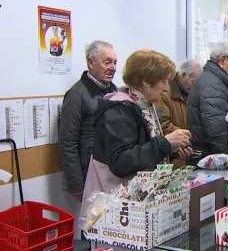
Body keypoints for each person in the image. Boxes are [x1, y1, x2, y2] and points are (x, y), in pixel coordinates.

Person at [80, 50, 192, 214]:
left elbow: (143, 146)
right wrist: (165, 143)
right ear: (146, 81)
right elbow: (121, 162)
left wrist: (171, 149)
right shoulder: (120, 109)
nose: (167, 87)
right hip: (113, 207)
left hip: (132, 203)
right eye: (163, 81)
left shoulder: (144, 105)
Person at [58, 40, 118, 203]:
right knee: (93, 224)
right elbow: (67, 142)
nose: (113, 67)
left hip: (113, 171)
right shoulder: (76, 95)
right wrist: (76, 185)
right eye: (107, 62)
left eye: (114, 62)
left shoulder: (115, 91)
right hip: (90, 173)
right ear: (91, 62)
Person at [186, 40, 228, 160]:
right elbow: (218, 134)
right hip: (210, 162)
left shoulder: (210, 81)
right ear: (222, 60)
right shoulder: (212, 86)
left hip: (207, 158)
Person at [155, 59, 202, 135]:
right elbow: (162, 124)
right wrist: (186, 137)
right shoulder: (163, 93)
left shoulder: (190, 91)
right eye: (193, 82)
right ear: (183, 75)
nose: (196, 86)